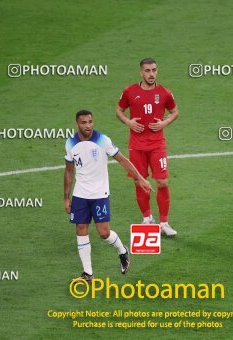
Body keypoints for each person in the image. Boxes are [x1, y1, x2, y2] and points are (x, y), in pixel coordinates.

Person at [64, 109, 152, 282]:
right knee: (81, 230)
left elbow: (122, 160)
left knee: (103, 233)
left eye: (90, 122)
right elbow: (69, 171)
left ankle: (122, 251)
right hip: (80, 194)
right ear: (77, 124)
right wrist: (66, 197)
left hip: (100, 194)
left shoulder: (103, 140)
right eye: (84, 123)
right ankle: (88, 273)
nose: (88, 126)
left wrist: (140, 178)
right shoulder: (70, 143)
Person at [116, 58, 179, 236]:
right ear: (141, 72)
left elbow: (175, 111)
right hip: (136, 146)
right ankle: (147, 218)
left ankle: (164, 223)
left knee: (162, 182)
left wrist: (164, 123)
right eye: (148, 71)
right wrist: (128, 121)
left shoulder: (165, 93)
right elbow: (119, 110)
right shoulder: (130, 91)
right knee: (140, 181)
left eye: (154, 70)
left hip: (157, 144)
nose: (151, 74)